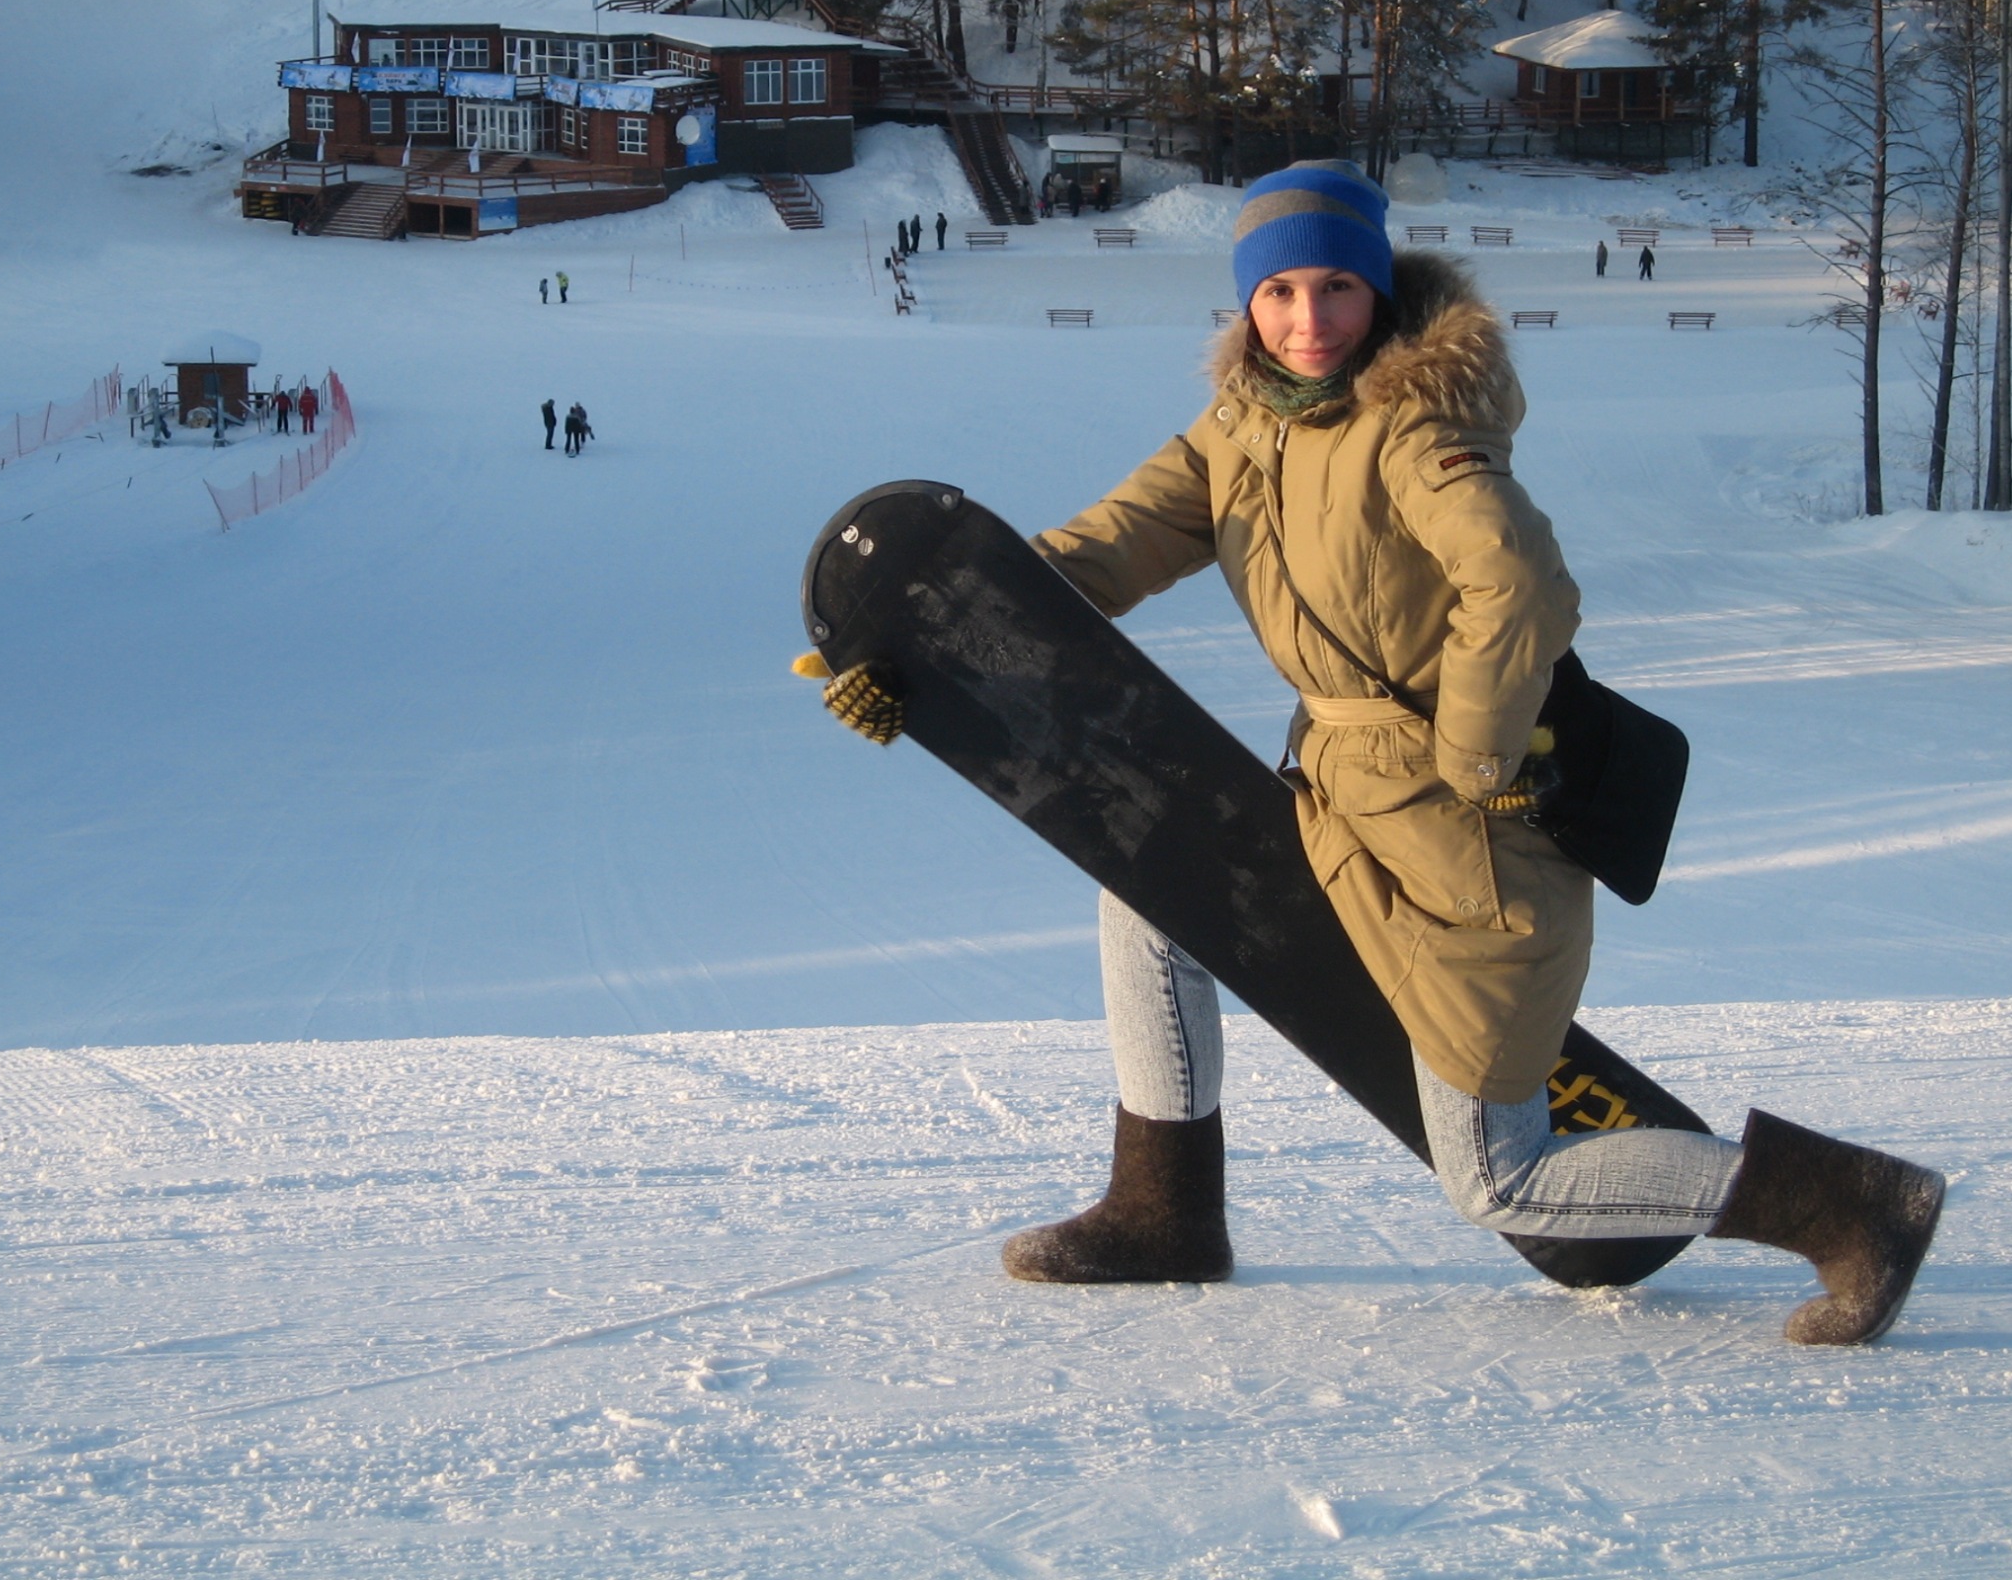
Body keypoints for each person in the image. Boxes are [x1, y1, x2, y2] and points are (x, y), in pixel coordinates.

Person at [806, 159, 1947, 1347]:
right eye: (1279, 291)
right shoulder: (1243, 425)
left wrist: (1475, 760)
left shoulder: (1414, 424)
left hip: (1467, 837)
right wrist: (928, 652)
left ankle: (1851, 1207)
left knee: (1495, 1177)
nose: (1308, 319)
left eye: (1337, 287)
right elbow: (1100, 552)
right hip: (1341, 800)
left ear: (1381, 288)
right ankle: (1162, 1212)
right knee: (1152, 896)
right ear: (1246, 302)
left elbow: (1518, 584)